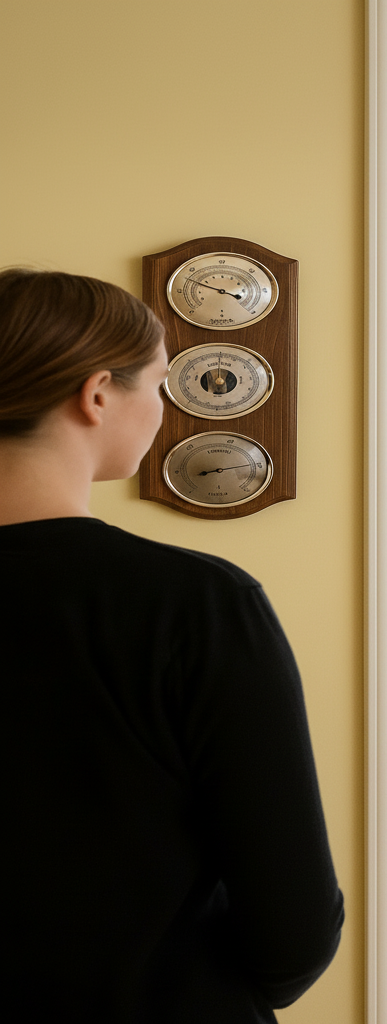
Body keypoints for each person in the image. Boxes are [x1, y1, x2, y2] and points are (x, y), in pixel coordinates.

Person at [0, 268, 343, 1022]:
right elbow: (294, 923)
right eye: (156, 385)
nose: (160, 410)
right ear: (96, 395)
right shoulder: (200, 606)